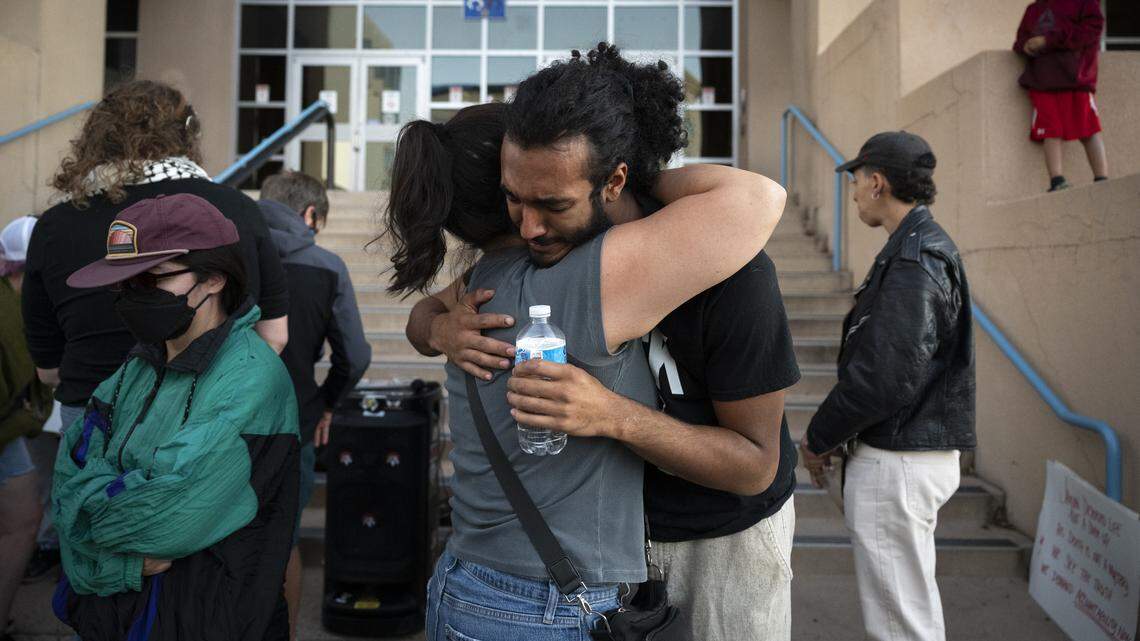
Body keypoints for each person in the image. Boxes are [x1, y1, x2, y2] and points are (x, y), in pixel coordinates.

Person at [388, 45, 787, 641]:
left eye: (552, 202)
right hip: (575, 580)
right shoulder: (529, 280)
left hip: (711, 542)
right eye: (515, 199)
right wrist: (433, 325)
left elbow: (756, 465)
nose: (531, 227)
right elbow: (757, 195)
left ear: (611, 179)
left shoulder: (712, 272)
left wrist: (432, 324)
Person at [22, 80, 290, 578]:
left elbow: (48, 369)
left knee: (101, 549)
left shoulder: (55, 225)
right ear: (186, 135)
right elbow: (273, 336)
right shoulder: (233, 209)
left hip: (92, 420)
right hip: (210, 416)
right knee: (223, 571)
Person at [51, 194, 300, 641]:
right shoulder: (134, 370)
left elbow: (164, 521)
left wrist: (97, 510)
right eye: (123, 283)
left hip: (210, 622)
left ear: (213, 280)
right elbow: (65, 487)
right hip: (119, 619)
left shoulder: (250, 379)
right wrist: (119, 563)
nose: (132, 295)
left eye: (151, 279)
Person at [799, 132, 975, 641]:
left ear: (877, 183)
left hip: (898, 462)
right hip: (907, 455)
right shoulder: (915, 250)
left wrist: (818, 437)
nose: (852, 192)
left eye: (856, 181)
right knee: (906, 611)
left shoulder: (913, 260)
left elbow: (884, 379)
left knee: (901, 623)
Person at [257, 169, 371, 640]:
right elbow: (356, 356)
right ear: (310, 215)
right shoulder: (326, 267)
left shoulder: (231, 252)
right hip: (293, 420)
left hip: (218, 422)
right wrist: (326, 404)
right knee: (281, 541)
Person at [0, 216, 53, 641]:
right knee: (21, 516)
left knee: (23, 514)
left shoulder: (15, 301)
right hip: (6, 427)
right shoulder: (11, 306)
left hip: (8, 431)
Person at [1014, 0, 1108, 191]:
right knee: (1051, 129)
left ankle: (1102, 179)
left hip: (1076, 79)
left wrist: (1049, 41)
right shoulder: (1033, 9)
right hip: (1042, 80)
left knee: (1088, 128)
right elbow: (1020, 40)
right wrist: (1026, 45)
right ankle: (1057, 180)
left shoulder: (1085, 3)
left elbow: (1091, 32)